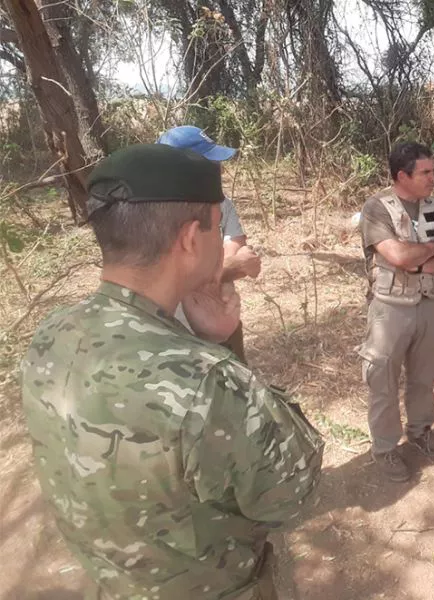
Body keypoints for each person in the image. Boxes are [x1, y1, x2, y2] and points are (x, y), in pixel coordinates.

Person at [20, 144, 324, 599]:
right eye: (218, 229)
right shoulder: (207, 382)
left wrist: (209, 340)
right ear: (188, 239)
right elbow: (293, 491)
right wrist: (223, 358)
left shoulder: (52, 333)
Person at [358, 142, 434, 482]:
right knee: (383, 381)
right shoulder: (377, 208)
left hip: (431, 305)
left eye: (433, 170)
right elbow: (397, 256)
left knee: (423, 378)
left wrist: (419, 262)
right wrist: (432, 250)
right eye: (426, 172)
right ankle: (385, 449)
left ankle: (421, 432)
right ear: (402, 176)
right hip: (391, 309)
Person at [158, 125, 261, 361]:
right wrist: (230, 268)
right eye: (210, 164)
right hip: (176, 333)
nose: (218, 170)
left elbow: (235, 251)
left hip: (222, 320)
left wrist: (216, 271)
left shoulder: (222, 204)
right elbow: (166, 281)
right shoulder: (154, 216)